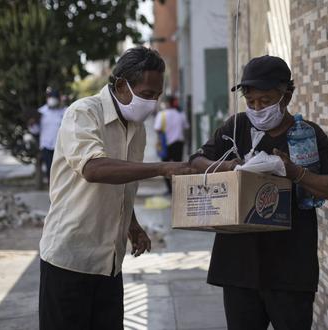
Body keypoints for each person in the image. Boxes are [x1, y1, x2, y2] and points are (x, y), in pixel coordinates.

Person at [38, 46, 195, 330]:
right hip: (70, 259)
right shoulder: (83, 114)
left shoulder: (137, 128)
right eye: (147, 95)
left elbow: (122, 181)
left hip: (110, 262)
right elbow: (94, 169)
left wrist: (132, 224)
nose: (152, 104)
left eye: (157, 96)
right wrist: (161, 168)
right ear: (122, 85)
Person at [190, 55, 328, 329]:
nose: (257, 108)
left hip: (290, 269)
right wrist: (228, 165)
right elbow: (196, 161)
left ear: (285, 97)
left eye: (266, 101)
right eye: (251, 102)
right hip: (239, 267)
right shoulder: (234, 128)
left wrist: (295, 172)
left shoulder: (308, 135)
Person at [29, 88, 67, 182]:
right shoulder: (42, 112)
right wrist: (32, 124)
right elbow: (36, 131)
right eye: (50, 97)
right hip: (46, 146)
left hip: (62, 146)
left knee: (62, 171)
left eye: (54, 98)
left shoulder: (65, 111)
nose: (52, 100)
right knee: (50, 170)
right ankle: (52, 192)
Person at [154, 95, 189, 194]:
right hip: (179, 143)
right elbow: (186, 127)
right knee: (179, 166)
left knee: (164, 167)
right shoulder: (181, 114)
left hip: (166, 144)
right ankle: (178, 188)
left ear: (168, 103)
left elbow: (157, 128)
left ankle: (170, 189)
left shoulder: (162, 114)